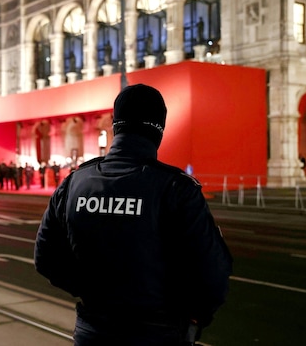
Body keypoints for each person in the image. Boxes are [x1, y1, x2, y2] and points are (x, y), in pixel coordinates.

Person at [35, 84, 233, 346]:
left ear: (115, 126)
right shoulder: (176, 188)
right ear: (159, 130)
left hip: (93, 331)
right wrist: (194, 318)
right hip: (158, 333)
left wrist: (90, 290)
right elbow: (213, 274)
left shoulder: (74, 183)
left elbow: (46, 257)